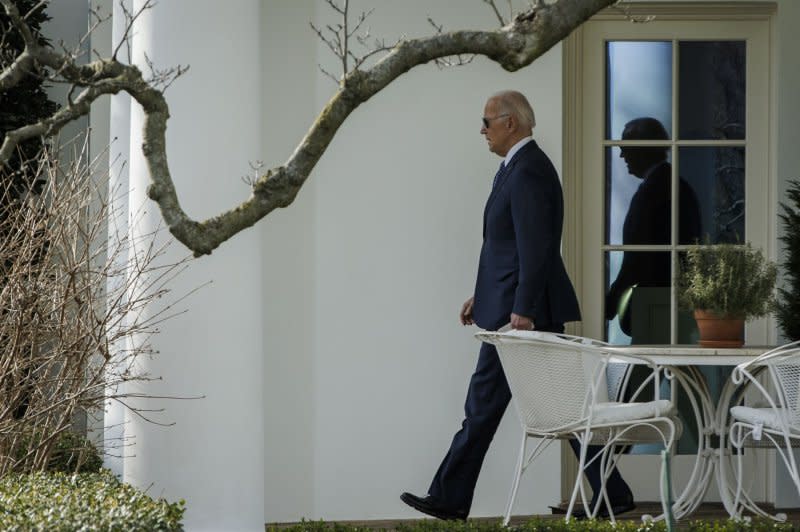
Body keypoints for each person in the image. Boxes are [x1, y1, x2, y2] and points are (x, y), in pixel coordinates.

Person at [401, 90, 594, 520]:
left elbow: (536, 248)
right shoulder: (518, 168)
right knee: (552, 407)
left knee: (487, 406)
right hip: (512, 309)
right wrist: (482, 296)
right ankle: (611, 491)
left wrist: (522, 310)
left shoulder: (527, 171)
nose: (482, 131)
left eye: (487, 122)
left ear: (512, 123)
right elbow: (506, 248)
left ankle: (449, 498)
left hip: (522, 318)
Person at [606, 117, 703, 340]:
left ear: (643, 148)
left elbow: (638, 257)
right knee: (672, 369)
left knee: (645, 370)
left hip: (656, 301)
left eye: (625, 148)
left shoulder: (655, 191)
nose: (622, 156)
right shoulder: (676, 186)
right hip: (671, 298)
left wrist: (611, 300)